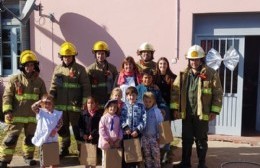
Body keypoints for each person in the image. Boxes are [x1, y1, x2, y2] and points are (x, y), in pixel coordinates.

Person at [171, 45, 223, 168]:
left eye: (197, 59)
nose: (194, 62)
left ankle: (201, 164)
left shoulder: (211, 74)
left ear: (201, 60)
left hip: (202, 113)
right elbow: (175, 91)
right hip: (187, 113)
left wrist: (214, 111)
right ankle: (185, 163)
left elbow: (218, 93)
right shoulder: (183, 74)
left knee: (201, 140)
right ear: (188, 60)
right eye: (191, 60)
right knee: (186, 139)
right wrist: (175, 109)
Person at [0, 50, 47, 167]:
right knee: (10, 139)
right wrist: (7, 111)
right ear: (22, 66)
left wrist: (44, 111)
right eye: (26, 65)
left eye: (31, 65)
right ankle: (3, 160)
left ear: (35, 66)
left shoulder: (39, 82)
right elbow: (7, 96)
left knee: (30, 139)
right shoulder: (15, 80)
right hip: (16, 116)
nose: (29, 67)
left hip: (32, 117)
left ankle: (28, 157)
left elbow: (44, 98)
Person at [49, 41, 91, 158]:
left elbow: (86, 87)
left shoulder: (80, 70)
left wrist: (84, 103)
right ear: (61, 57)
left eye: (69, 56)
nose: (67, 58)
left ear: (73, 56)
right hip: (61, 106)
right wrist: (51, 98)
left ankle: (81, 150)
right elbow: (53, 87)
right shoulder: (58, 69)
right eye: (65, 56)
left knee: (78, 128)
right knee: (62, 128)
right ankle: (64, 148)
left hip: (76, 106)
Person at [154, 57, 177, 163]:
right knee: (157, 130)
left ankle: (166, 152)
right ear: (158, 65)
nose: (162, 66)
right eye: (160, 64)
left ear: (167, 65)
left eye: (164, 64)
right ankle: (158, 152)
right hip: (155, 107)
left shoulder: (173, 77)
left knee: (166, 129)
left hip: (167, 107)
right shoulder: (154, 77)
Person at [31, 94, 63, 168]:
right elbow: (33, 107)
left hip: (53, 139)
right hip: (43, 139)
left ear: (52, 103)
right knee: (44, 161)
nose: (47, 105)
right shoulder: (40, 111)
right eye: (45, 103)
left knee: (53, 160)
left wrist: (55, 130)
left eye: (49, 103)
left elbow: (60, 123)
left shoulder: (57, 113)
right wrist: (40, 101)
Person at [87, 41, 118, 108]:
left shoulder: (112, 68)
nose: (100, 56)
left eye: (102, 54)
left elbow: (116, 85)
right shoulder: (90, 69)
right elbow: (87, 86)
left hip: (108, 99)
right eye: (98, 53)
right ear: (95, 54)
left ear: (106, 54)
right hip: (95, 101)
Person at [121, 86, 146, 168]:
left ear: (137, 96)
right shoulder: (124, 106)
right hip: (126, 134)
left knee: (136, 153)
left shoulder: (141, 106)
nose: (131, 97)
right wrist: (125, 128)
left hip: (136, 134)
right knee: (127, 153)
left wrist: (138, 130)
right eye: (129, 95)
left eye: (133, 95)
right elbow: (122, 118)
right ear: (127, 96)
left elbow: (144, 119)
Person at [78, 96, 103, 167]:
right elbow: (80, 126)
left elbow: (100, 127)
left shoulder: (99, 115)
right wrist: (83, 134)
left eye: (92, 103)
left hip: (95, 139)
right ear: (86, 104)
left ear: (95, 104)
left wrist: (93, 134)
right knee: (86, 158)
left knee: (94, 160)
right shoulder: (83, 114)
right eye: (88, 103)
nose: (90, 104)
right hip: (86, 139)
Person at [98, 99, 123, 167]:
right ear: (108, 107)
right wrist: (108, 140)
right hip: (106, 142)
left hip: (116, 142)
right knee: (105, 158)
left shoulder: (118, 118)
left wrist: (119, 139)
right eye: (111, 106)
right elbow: (101, 130)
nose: (113, 108)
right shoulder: (104, 118)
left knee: (114, 158)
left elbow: (120, 129)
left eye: (115, 107)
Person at [142, 92, 163, 168]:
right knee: (147, 155)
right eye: (146, 101)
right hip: (145, 137)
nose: (147, 103)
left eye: (149, 101)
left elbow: (160, 124)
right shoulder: (142, 111)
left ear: (153, 101)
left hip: (154, 137)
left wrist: (158, 136)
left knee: (156, 155)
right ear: (143, 101)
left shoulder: (156, 111)